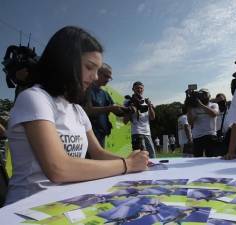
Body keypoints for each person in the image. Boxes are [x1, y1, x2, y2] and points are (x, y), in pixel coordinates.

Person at [5, 26, 149, 205]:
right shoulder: (34, 98)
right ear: (64, 62)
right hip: (27, 209)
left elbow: (98, 153)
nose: (95, 77)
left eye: (97, 70)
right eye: (90, 67)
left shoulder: (77, 110)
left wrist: (134, 161)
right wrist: (127, 165)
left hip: (66, 204)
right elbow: (59, 168)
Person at [84, 63, 126, 148]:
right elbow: (87, 111)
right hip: (88, 135)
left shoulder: (105, 94)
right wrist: (109, 108)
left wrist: (127, 110)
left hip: (101, 135)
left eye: (109, 78)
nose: (108, 79)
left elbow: (117, 111)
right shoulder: (87, 90)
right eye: (106, 76)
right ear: (97, 73)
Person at [123, 81, 156, 158]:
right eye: (137, 88)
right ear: (133, 89)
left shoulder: (145, 101)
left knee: (152, 157)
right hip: (137, 132)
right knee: (141, 158)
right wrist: (131, 109)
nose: (139, 90)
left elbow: (152, 117)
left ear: (143, 90)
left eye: (141, 88)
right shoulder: (128, 101)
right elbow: (125, 121)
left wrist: (150, 106)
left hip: (148, 133)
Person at [187, 88, 219, 157]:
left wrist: (200, 105)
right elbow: (190, 122)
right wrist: (189, 109)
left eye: (205, 94)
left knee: (211, 159)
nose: (203, 96)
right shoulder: (194, 108)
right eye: (201, 94)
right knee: (197, 160)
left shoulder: (213, 105)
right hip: (197, 137)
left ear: (209, 96)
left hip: (210, 135)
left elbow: (214, 114)